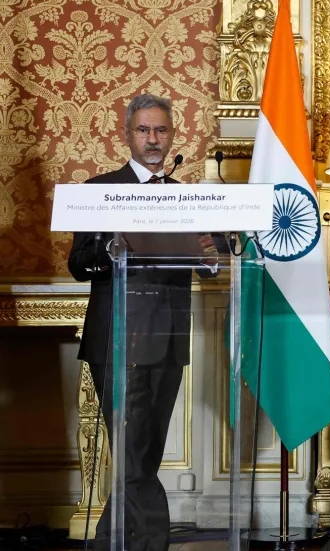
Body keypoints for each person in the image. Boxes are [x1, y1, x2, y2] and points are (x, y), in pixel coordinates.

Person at [68, 93, 218, 551]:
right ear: (127, 135)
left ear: (172, 135)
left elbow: (208, 262)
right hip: (118, 340)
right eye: (144, 130)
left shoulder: (185, 197)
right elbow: (79, 263)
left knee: (144, 454)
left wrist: (213, 256)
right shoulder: (100, 190)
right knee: (133, 456)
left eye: (161, 131)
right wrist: (112, 250)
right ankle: (152, 542)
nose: (153, 139)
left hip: (170, 338)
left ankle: (106, 542)